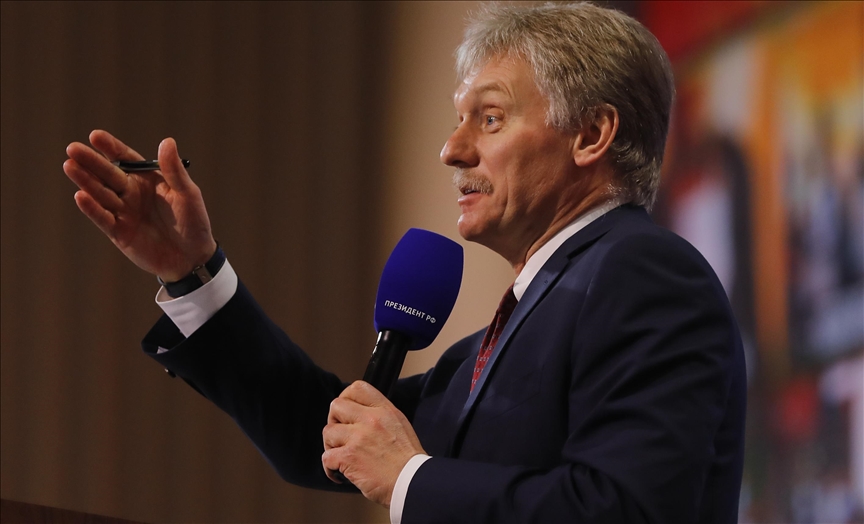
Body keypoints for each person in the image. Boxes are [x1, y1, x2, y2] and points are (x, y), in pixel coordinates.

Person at [63, 3, 746, 523]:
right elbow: (321, 437)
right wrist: (194, 272)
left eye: (490, 118)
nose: (451, 150)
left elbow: (625, 509)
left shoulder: (645, 275)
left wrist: (410, 477)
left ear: (592, 134)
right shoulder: (499, 339)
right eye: (458, 119)